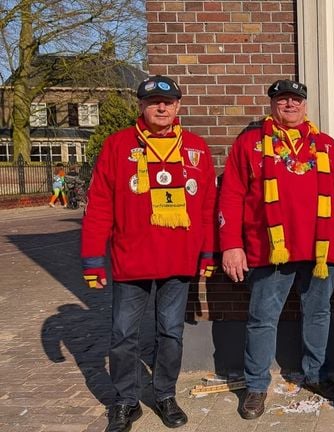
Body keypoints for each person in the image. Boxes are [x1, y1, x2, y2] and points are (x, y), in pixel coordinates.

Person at [81, 75, 217, 432]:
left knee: (170, 332)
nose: (161, 107)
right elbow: (99, 206)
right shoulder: (117, 145)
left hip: (179, 260)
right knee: (124, 334)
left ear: (178, 107)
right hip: (132, 259)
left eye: (168, 102)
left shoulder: (196, 148)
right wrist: (93, 258)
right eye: (153, 101)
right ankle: (126, 400)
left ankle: (165, 394)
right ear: (140, 106)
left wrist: (207, 254)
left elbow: (206, 207)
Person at [218, 79, 334, 419]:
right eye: (283, 99)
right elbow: (231, 196)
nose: (290, 104)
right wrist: (231, 245)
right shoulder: (250, 144)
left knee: (319, 314)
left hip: (321, 251)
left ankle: (316, 375)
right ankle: (255, 385)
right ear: (271, 104)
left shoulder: (324, 145)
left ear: (306, 105)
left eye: (296, 99)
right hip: (269, 251)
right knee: (262, 319)